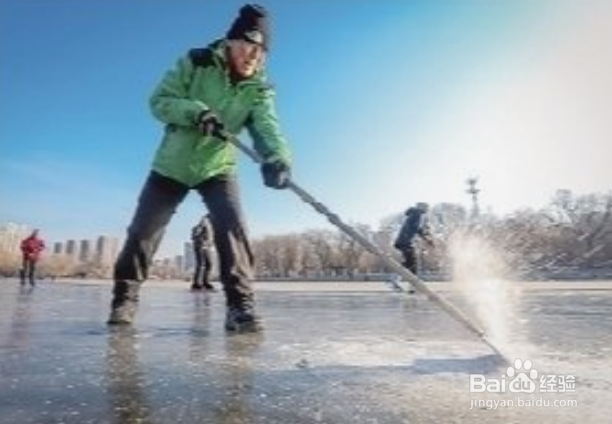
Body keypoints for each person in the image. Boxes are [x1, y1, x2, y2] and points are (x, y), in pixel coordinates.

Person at [107, 4, 292, 333]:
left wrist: (277, 157)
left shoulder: (260, 89)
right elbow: (160, 100)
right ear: (231, 42)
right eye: (248, 47)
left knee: (233, 228)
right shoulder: (196, 61)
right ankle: (125, 298)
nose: (253, 57)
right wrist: (196, 112)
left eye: (261, 52)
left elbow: (267, 126)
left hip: (217, 166)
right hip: (172, 164)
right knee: (143, 232)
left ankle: (240, 307)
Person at [394, 203, 434, 277]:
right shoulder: (417, 214)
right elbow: (416, 228)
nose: (427, 210)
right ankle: (397, 280)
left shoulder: (413, 214)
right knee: (413, 263)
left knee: (410, 263)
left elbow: (416, 228)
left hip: (402, 242)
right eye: (426, 208)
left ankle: (399, 280)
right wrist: (427, 239)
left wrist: (426, 237)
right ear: (422, 208)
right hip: (405, 242)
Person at [191, 214, 216, 291]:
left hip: (207, 247)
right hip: (200, 245)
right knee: (201, 264)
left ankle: (206, 282)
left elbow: (211, 236)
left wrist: (210, 243)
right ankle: (196, 283)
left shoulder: (211, 224)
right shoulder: (205, 221)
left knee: (209, 264)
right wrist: (201, 240)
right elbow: (196, 232)